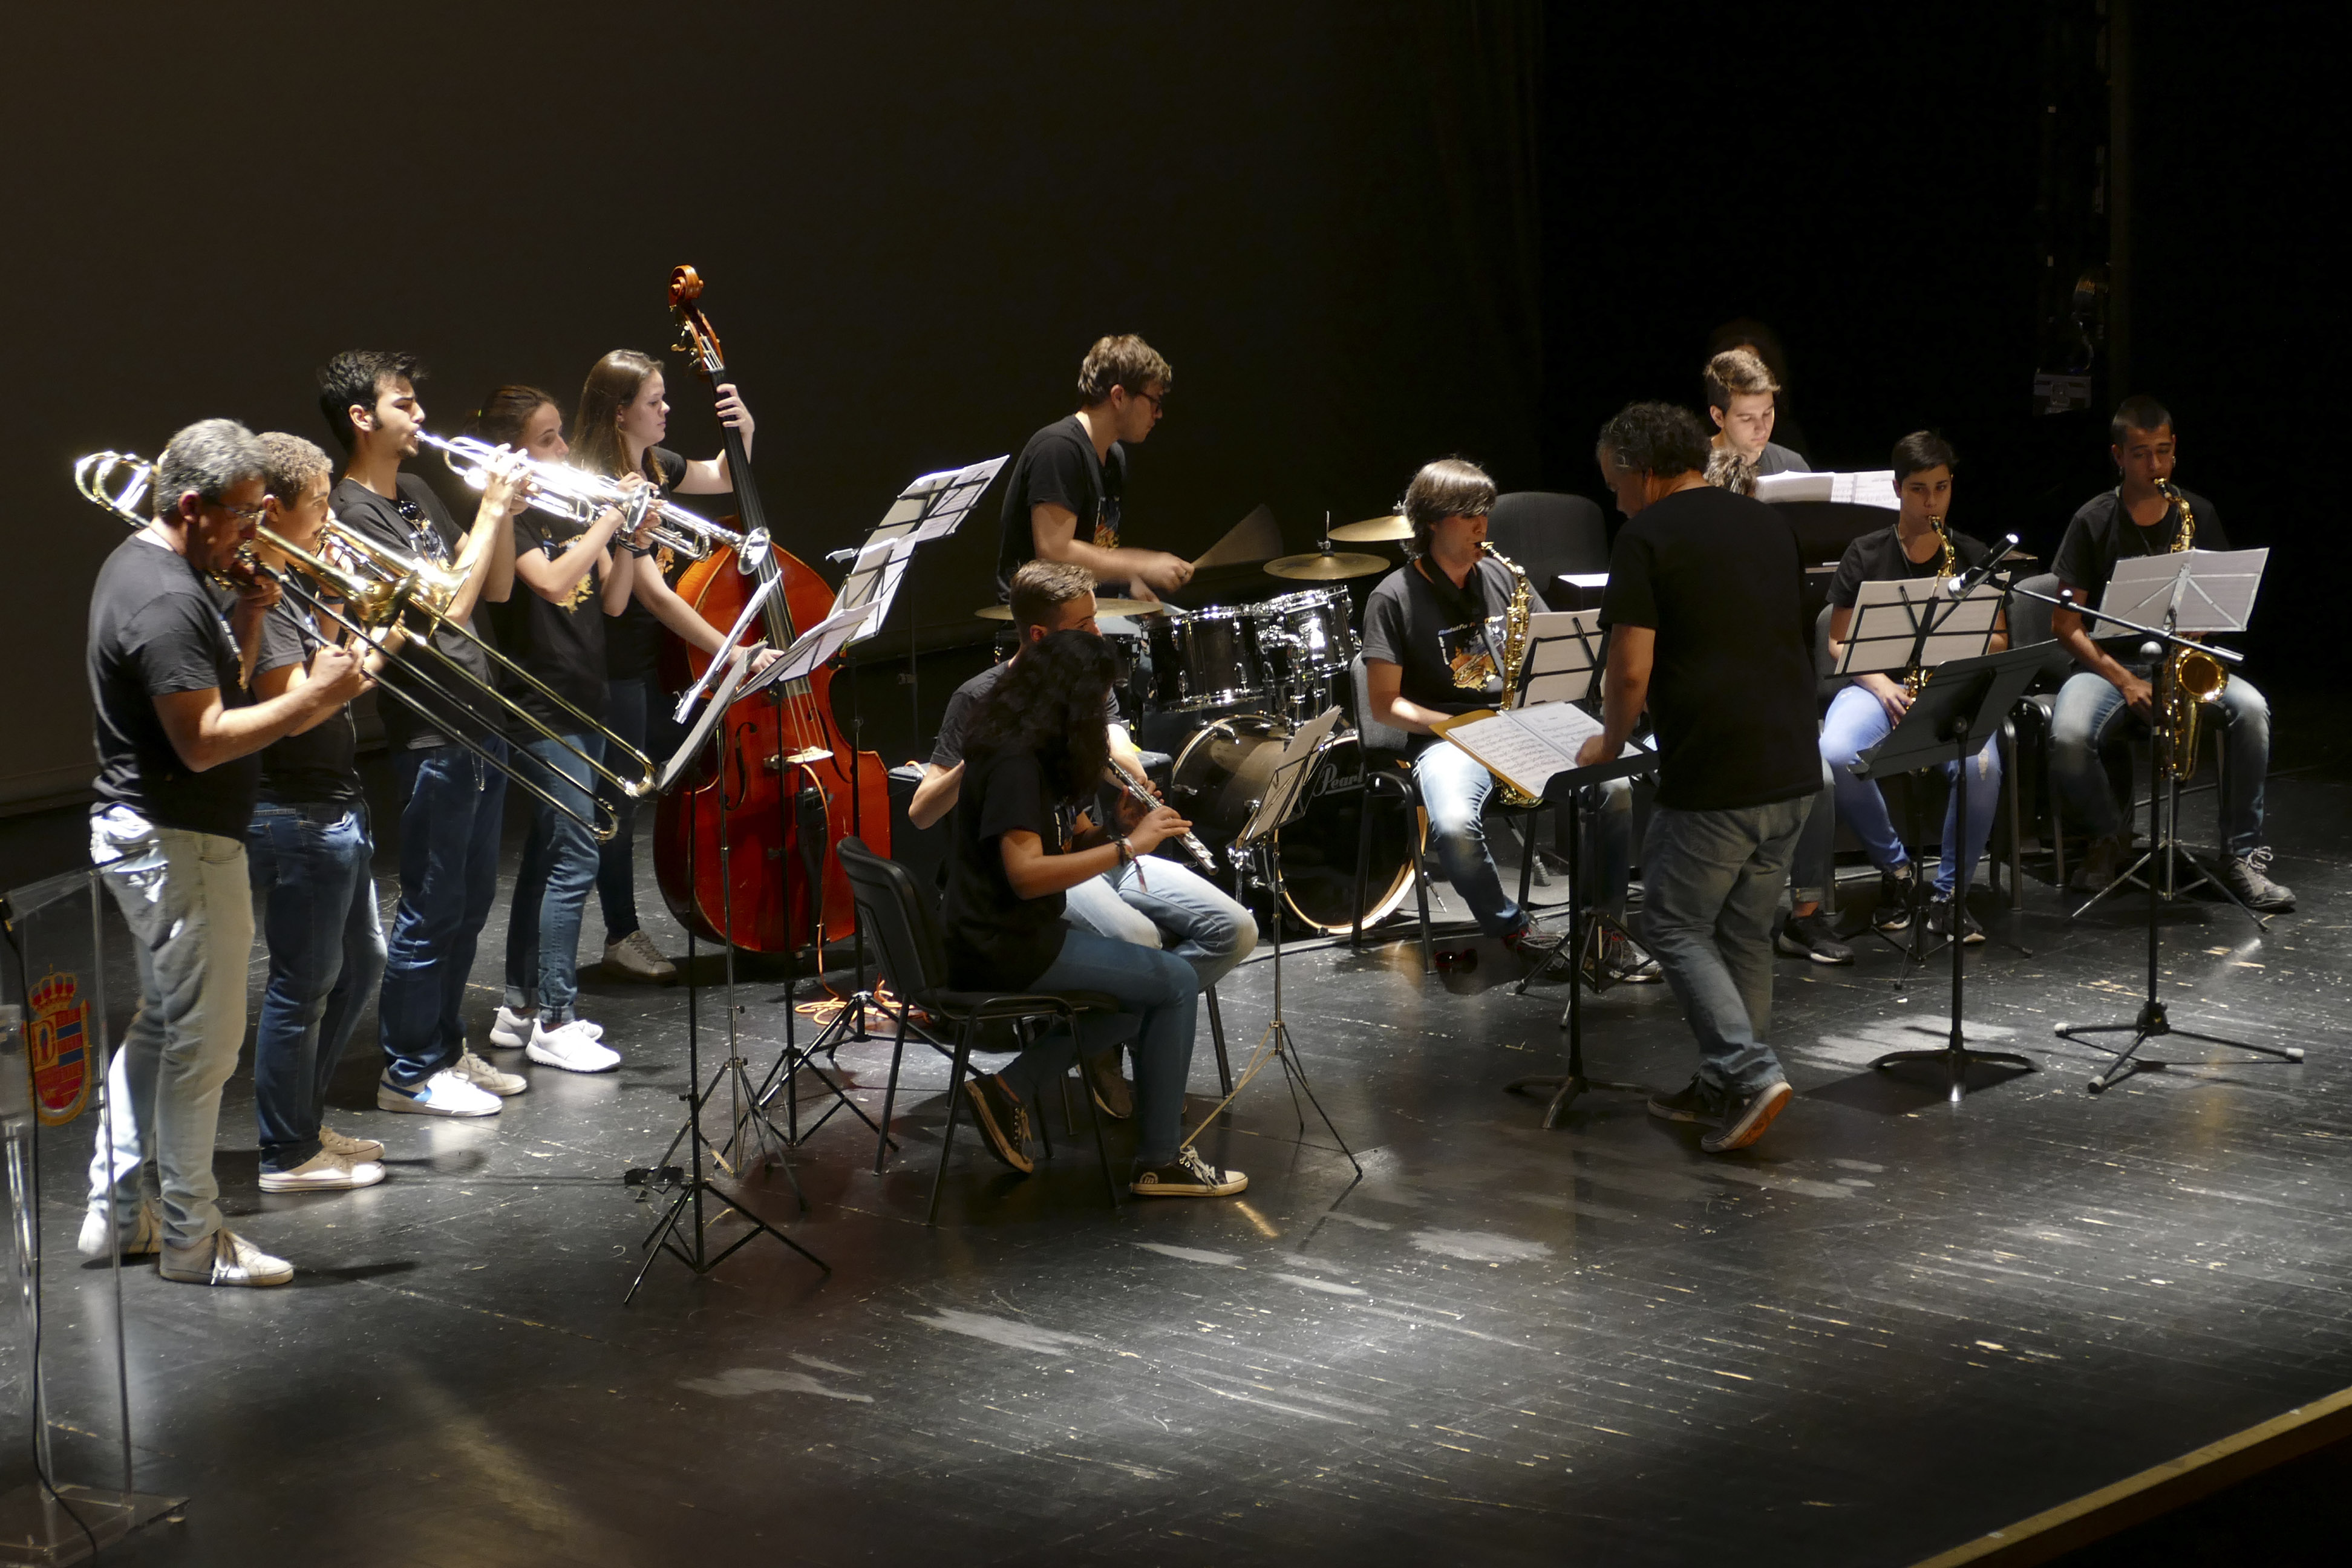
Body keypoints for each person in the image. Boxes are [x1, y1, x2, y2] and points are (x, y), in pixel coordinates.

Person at [80, 418, 370, 1287]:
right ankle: (191, 1238)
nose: (254, 531)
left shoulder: (152, 571)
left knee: (164, 1028)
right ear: (192, 506)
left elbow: (219, 690)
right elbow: (203, 741)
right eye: (244, 514)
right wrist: (315, 697)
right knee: (203, 1049)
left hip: (159, 836)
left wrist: (249, 615)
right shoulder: (166, 601)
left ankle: (116, 1215)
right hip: (180, 844)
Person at [909, 560, 1256, 1117]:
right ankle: (1124, 1053)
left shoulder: (1085, 680)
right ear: (1039, 635)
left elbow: (1115, 746)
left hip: (1090, 840)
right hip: (1051, 864)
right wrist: (987, 748)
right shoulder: (980, 700)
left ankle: (1112, 1029)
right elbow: (923, 813)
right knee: (1140, 941)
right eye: (1084, 625)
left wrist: (1128, 799)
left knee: (1235, 929)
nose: (1098, 633)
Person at [1576, 403, 1820, 1154]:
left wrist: (1609, 743)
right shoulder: (1768, 523)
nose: (1616, 500)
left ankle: (1749, 1073)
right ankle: (1723, 1087)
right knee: (1744, 932)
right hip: (1794, 763)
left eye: (1616, 484)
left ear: (1644, 473)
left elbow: (1630, 670)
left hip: (1719, 769)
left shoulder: (1646, 536)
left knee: (1671, 923)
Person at [942, 629, 1246, 1197]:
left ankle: (1009, 1088)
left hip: (1019, 933)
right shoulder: (1015, 763)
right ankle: (1159, 1161)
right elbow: (1026, 874)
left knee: (1156, 993)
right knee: (1176, 982)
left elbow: (1064, 844)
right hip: (1002, 944)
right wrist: (1130, 848)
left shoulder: (1036, 749)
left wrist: (1115, 828)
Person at [317, 350, 527, 1117]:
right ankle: (406, 1071)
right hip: (433, 729)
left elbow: (493, 585)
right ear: (362, 417)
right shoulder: (351, 511)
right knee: (433, 904)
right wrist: (491, 510)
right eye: (404, 404)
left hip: (482, 716)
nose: (421, 416)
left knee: (470, 903)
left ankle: (443, 1047)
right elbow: (446, 612)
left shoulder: (416, 492)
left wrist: (505, 512)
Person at [1361, 458, 1651, 972]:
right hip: (1448, 739)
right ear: (1433, 521)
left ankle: (1603, 928)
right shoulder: (1392, 596)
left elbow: (1556, 646)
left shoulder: (1503, 576)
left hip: (1522, 726)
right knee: (1453, 825)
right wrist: (1453, 725)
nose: (1483, 526)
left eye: (1486, 514)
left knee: (1615, 787)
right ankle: (1514, 929)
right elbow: (1386, 704)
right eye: (1469, 515)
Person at [558, 348, 764, 987]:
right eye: (654, 401)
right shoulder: (599, 483)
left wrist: (743, 429)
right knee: (620, 801)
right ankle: (622, 934)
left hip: (661, 661)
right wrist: (731, 651)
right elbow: (649, 594)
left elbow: (724, 474)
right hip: (617, 665)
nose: (667, 408)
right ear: (621, 414)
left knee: (677, 777)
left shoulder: (657, 464)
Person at [2048, 396, 2292, 909]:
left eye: (2163, 451)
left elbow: (2220, 602)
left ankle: (2241, 856)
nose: (2155, 465)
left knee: (2252, 711)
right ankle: (2109, 837)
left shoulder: (2197, 513)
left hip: (2180, 659)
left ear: (2175, 448)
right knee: (2068, 736)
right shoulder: (2093, 519)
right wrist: (2125, 681)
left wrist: (2192, 642)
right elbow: (2066, 626)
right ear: (2118, 456)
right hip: (2109, 667)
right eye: (2141, 454)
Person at [475, 386, 642, 1073]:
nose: (566, 448)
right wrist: (609, 519)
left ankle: (518, 1009)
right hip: (541, 708)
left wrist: (629, 540)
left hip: (586, 699)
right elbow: (549, 582)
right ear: (515, 451)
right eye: (548, 439)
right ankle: (556, 1017)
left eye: (561, 434)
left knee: (549, 856)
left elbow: (614, 598)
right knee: (575, 857)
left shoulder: (572, 510)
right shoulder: (509, 517)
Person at [242, 432, 393, 1192]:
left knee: (362, 964)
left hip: (334, 801)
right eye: (321, 503)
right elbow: (295, 711)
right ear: (274, 509)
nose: (332, 516)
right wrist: (377, 645)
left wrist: (343, 615)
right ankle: (287, 1151)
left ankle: (303, 1120)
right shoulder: (261, 595)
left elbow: (327, 674)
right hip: (295, 810)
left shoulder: (298, 579)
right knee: (301, 986)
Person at [1817, 432, 2008, 944]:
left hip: (1950, 690)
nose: (1932, 503)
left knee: (1982, 767)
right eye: (1919, 490)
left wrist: (1956, 656)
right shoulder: (1866, 553)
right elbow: (1838, 642)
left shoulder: (1973, 554)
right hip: (1878, 687)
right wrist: (1881, 685)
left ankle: (1949, 898)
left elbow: (2000, 639)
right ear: (1897, 489)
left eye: (1942, 489)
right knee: (1837, 753)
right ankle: (1898, 872)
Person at [994, 334, 1192, 603]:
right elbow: (1054, 553)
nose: (1159, 414)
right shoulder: (1058, 448)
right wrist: (1141, 564)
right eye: (1154, 401)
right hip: (1039, 620)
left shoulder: (1114, 457)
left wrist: (1130, 582)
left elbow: (1100, 548)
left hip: (1087, 610)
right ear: (1119, 396)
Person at [1704, 348, 1809, 478]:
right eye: (1747, 419)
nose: (1762, 429)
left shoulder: (1793, 468)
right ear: (1718, 417)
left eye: (1767, 413)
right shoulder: (1691, 471)